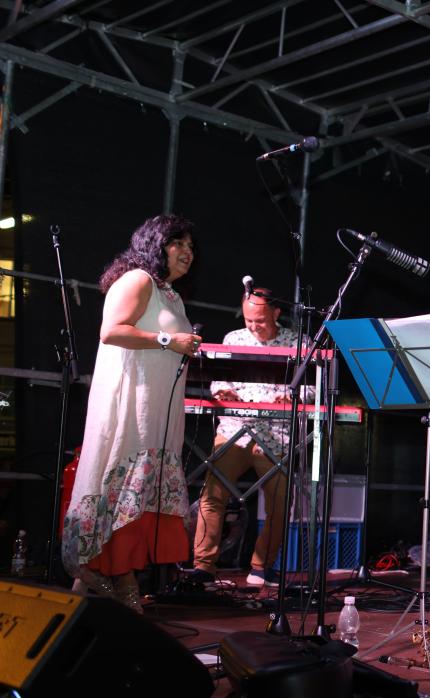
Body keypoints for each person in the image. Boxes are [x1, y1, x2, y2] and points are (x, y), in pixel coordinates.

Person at [62, 214, 202, 612]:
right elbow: (111, 331)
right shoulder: (138, 280)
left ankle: (90, 585)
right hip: (131, 409)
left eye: (191, 247)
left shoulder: (171, 295)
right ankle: (120, 583)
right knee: (125, 493)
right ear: (156, 244)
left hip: (159, 414)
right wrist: (169, 339)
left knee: (139, 499)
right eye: (178, 244)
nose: (187, 252)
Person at [192, 289, 301, 587]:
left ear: (276, 313)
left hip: (276, 435)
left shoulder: (298, 342)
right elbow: (218, 378)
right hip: (233, 430)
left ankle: (261, 567)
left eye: (260, 320)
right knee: (212, 496)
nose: (253, 326)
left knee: (281, 503)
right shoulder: (234, 338)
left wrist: (292, 396)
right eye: (249, 320)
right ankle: (203, 566)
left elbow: (312, 386)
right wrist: (222, 391)